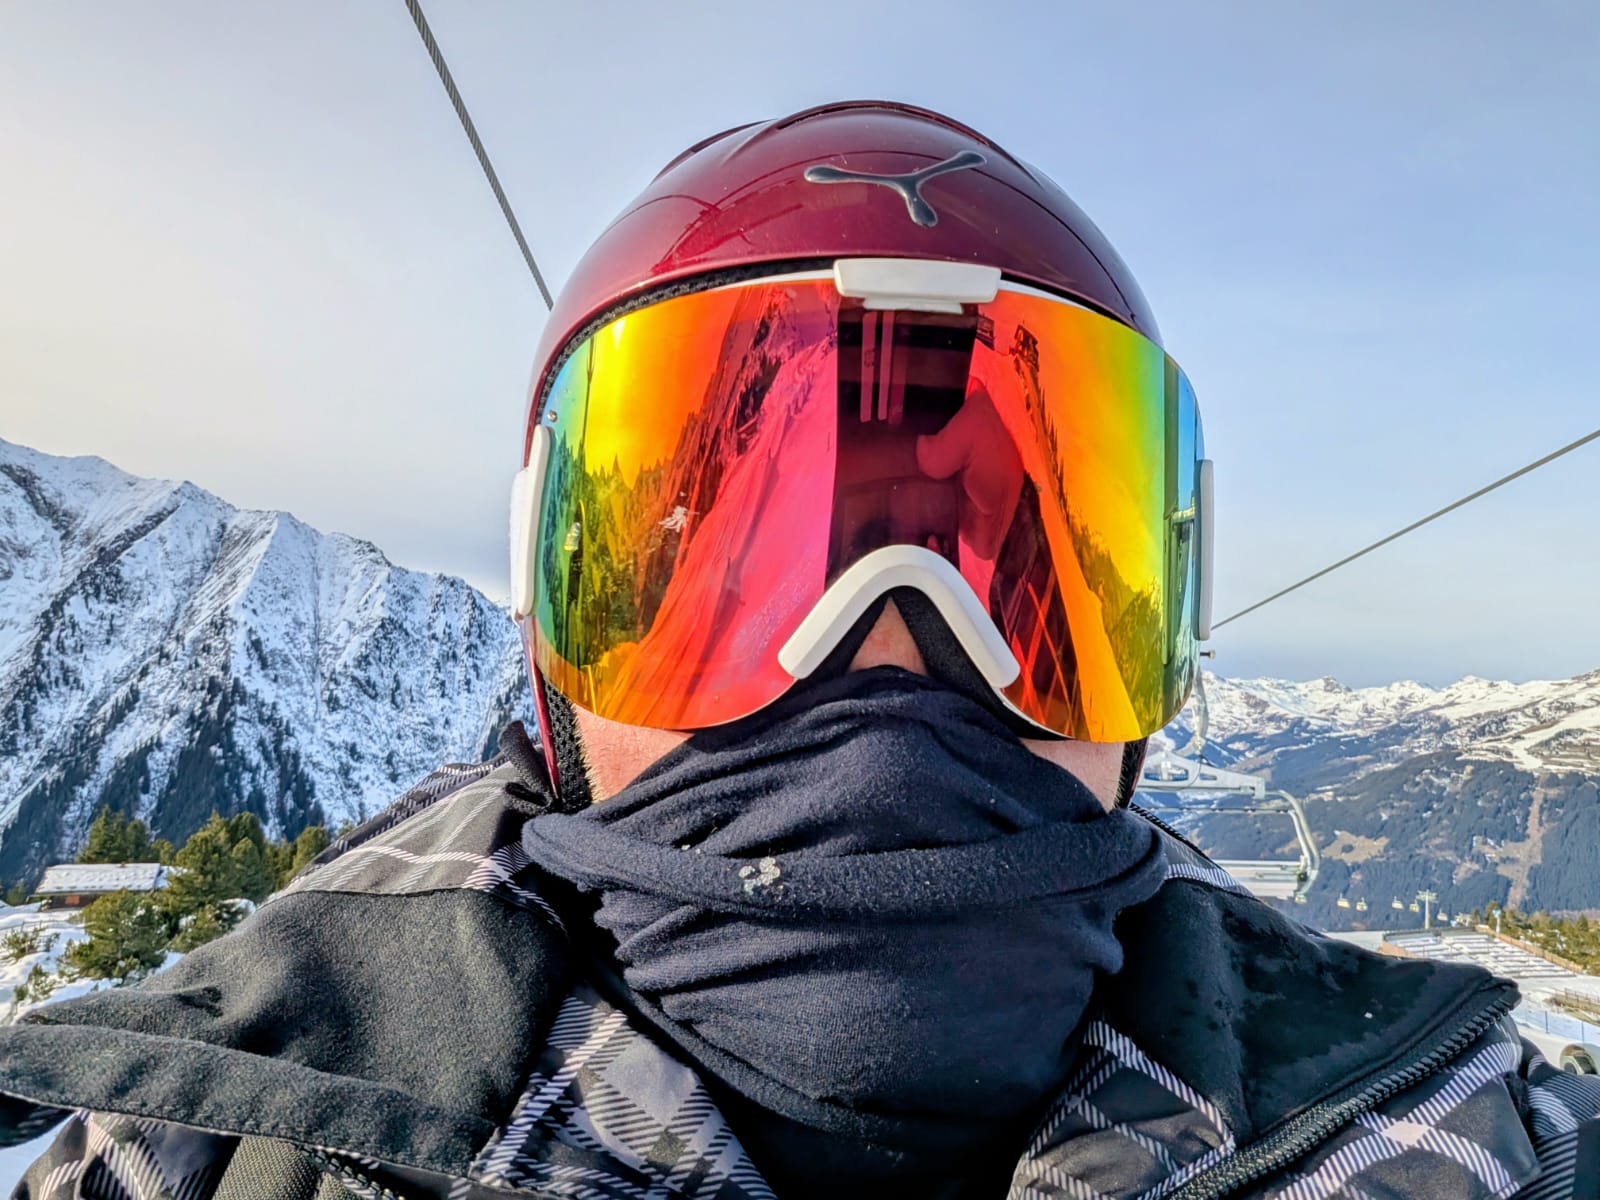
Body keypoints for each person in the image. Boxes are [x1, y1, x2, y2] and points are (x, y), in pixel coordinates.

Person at [3, 100, 1596, 1200]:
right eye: (733, 581)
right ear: (553, 653)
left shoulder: (1470, 1143)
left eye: (1018, 584)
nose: (888, 669)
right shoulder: (211, 1149)